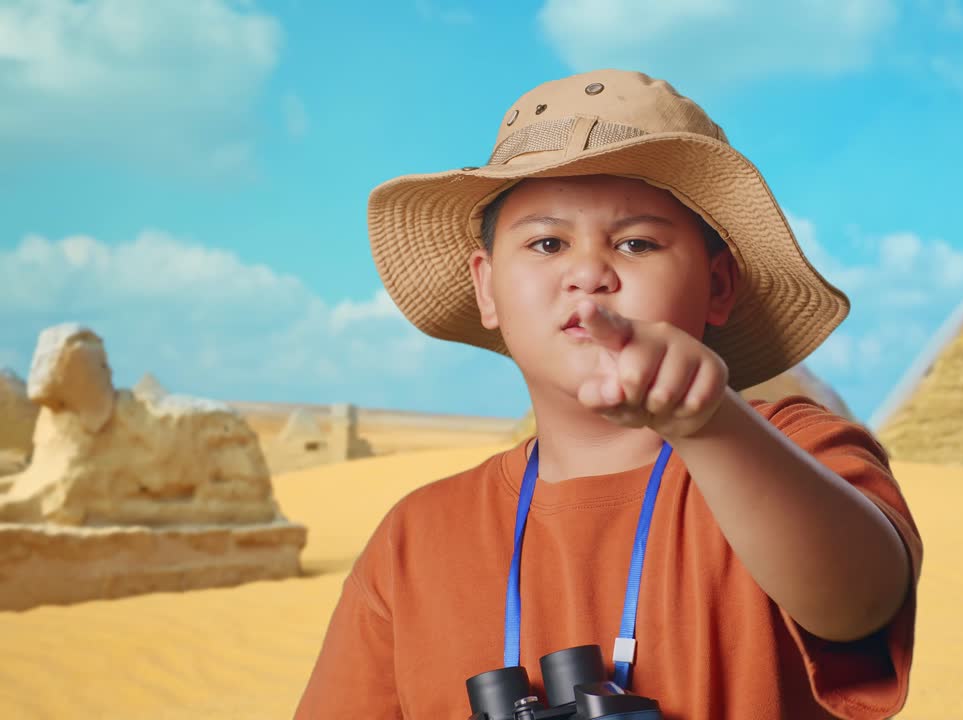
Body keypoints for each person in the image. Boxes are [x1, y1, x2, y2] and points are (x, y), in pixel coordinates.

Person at [295, 69, 923, 720]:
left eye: (635, 243)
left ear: (718, 286)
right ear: (486, 287)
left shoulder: (794, 451)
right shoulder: (414, 540)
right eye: (547, 243)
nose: (589, 273)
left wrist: (711, 425)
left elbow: (859, 601)